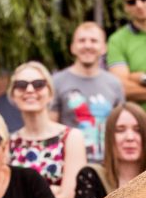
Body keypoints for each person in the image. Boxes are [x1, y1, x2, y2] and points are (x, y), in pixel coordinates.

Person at [8, 61, 86, 198]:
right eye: (21, 85)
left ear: (50, 93)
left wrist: (23, 196)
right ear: (13, 95)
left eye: (38, 84)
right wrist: (51, 191)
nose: (30, 90)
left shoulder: (71, 137)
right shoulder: (8, 142)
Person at [50, 22, 125, 164]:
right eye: (82, 41)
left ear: (104, 48)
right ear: (72, 47)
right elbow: (50, 128)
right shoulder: (56, 82)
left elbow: (120, 127)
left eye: (93, 41)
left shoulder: (114, 84)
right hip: (69, 164)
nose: (87, 45)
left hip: (107, 165)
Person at [75, 102, 146, 198]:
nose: (130, 137)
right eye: (120, 130)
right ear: (109, 137)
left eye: (138, 130)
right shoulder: (92, 176)